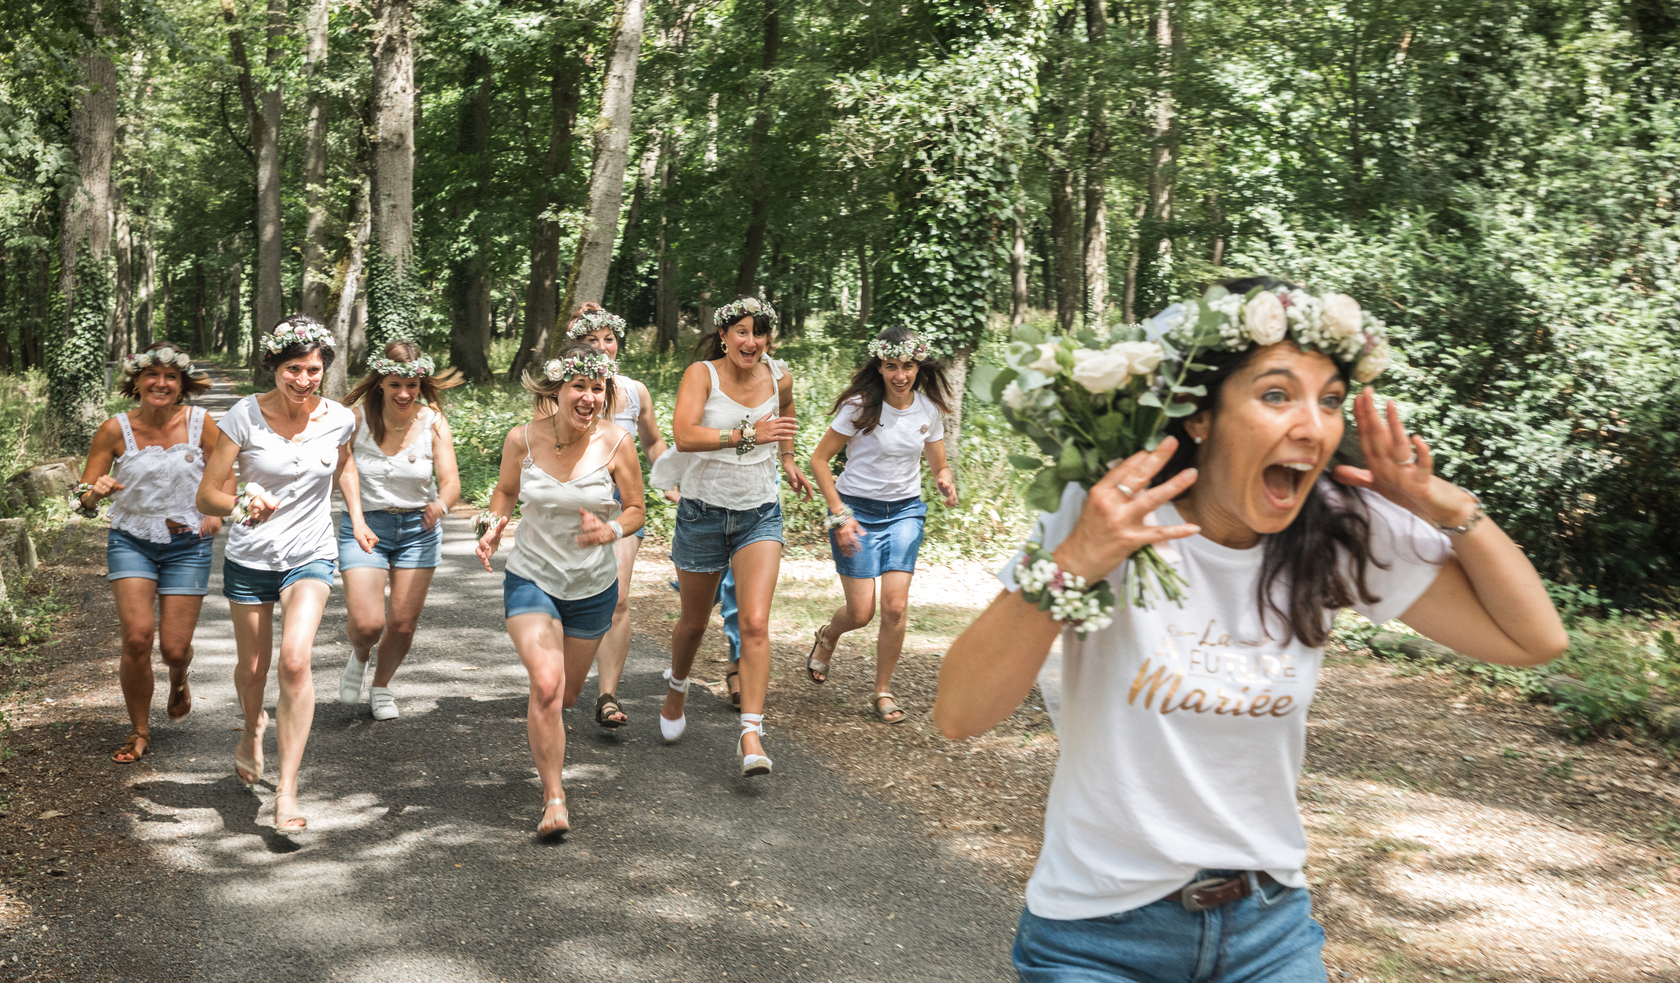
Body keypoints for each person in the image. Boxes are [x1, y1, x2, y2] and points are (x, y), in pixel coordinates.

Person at [933, 278, 1568, 982]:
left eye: (1328, 400)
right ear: (1200, 415)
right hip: (1097, 936)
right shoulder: (1111, 509)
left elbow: (1533, 639)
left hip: (1268, 930)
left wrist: (1439, 503)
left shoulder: (1337, 524)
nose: (1312, 424)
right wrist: (1077, 557)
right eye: (1276, 394)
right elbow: (959, 713)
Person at [197, 315, 374, 833]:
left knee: (295, 662)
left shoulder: (340, 417)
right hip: (251, 556)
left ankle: (288, 790)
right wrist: (241, 503)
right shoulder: (242, 417)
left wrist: (357, 520)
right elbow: (208, 494)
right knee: (254, 670)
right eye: (293, 368)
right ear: (273, 366)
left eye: (314, 369)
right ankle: (253, 727)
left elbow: (343, 465)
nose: (304, 379)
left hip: (310, 553)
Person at [474, 342, 647, 838]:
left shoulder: (617, 443)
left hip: (592, 587)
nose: (589, 396)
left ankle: (544, 717)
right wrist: (492, 525)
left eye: (598, 388)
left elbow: (635, 507)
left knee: (566, 696)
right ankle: (554, 798)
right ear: (558, 389)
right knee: (547, 687)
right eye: (580, 386)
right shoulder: (521, 440)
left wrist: (610, 530)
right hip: (533, 576)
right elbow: (506, 491)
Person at [658, 297, 813, 776]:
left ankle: (751, 733)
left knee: (755, 623)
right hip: (702, 512)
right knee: (693, 622)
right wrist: (749, 436)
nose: (751, 341)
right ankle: (678, 686)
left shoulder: (779, 376)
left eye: (759, 332)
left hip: (759, 514)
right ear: (723, 335)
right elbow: (684, 435)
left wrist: (786, 457)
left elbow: (784, 413)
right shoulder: (701, 375)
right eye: (741, 332)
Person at [75, 342, 225, 763]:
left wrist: (215, 512)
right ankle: (139, 731)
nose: (161, 383)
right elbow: (82, 497)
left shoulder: (201, 423)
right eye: (152, 375)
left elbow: (226, 475)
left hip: (187, 544)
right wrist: (94, 493)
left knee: (174, 649)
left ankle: (179, 676)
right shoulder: (113, 429)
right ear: (136, 381)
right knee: (138, 638)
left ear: (182, 384)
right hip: (132, 539)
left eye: (171, 376)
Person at [807, 327, 959, 723]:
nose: (900, 375)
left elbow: (938, 461)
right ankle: (828, 635)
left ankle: (882, 691)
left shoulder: (928, 410)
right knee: (862, 612)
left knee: (894, 607)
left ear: (918, 366)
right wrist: (840, 514)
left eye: (908, 366)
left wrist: (943, 477)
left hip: (905, 512)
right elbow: (819, 461)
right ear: (879, 366)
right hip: (855, 511)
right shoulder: (859, 407)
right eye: (891, 366)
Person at [335, 339, 464, 720]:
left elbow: (451, 480)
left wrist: (440, 505)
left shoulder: (434, 421)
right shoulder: (355, 419)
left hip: (417, 529)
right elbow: (345, 471)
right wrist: (357, 519)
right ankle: (360, 654)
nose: (404, 393)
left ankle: (381, 686)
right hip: (366, 525)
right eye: (395, 384)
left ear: (421, 382)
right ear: (380, 382)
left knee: (403, 625)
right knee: (367, 623)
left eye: (412, 385)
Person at [567, 302, 669, 729]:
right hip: (574, 501)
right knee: (567, 594)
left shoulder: (635, 390)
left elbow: (653, 443)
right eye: (593, 340)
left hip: (623, 502)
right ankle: (561, 674)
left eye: (609, 339)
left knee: (620, 596)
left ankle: (607, 694)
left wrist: (671, 480)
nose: (603, 347)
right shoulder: (566, 389)